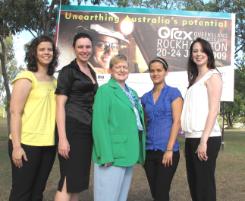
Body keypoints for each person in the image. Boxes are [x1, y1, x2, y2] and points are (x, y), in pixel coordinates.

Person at [8, 35, 58, 201]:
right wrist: (16, 146)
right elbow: (15, 112)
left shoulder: (55, 81)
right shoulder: (26, 77)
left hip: (49, 144)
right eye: (42, 49)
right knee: (21, 193)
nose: (46, 52)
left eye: (49, 49)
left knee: (37, 193)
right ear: (34, 53)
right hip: (26, 143)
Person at [92, 54, 145, 201]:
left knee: (121, 197)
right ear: (110, 70)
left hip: (128, 152)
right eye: (118, 67)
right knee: (106, 197)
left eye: (125, 67)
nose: (122, 70)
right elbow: (99, 125)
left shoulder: (132, 93)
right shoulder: (105, 91)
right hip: (112, 154)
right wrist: (105, 154)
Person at [54, 33, 98, 201]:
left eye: (87, 46)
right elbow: (59, 106)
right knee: (67, 180)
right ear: (74, 48)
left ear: (92, 48)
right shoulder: (68, 71)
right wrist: (63, 139)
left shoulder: (91, 71)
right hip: (71, 129)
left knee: (77, 184)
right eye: (80, 47)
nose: (84, 50)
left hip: (86, 131)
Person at [181, 37, 223, 201]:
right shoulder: (195, 78)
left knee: (204, 187)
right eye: (194, 51)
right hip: (191, 138)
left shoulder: (213, 76)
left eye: (202, 50)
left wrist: (203, 142)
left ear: (208, 53)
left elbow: (213, 111)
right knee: (195, 185)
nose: (198, 54)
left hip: (206, 138)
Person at [141, 57, 183, 201]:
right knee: (155, 192)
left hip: (168, 151)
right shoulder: (145, 98)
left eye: (159, 70)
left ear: (166, 72)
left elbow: (177, 122)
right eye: (152, 71)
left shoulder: (173, 93)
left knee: (161, 192)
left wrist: (169, 149)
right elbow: (143, 124)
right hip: (149, 152)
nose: (155, 73)